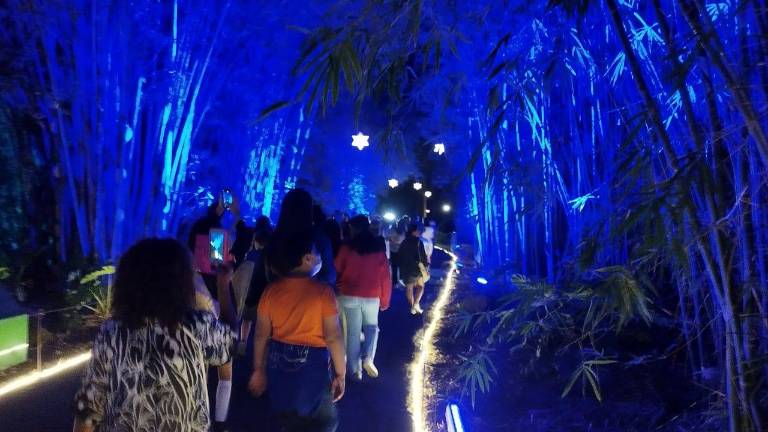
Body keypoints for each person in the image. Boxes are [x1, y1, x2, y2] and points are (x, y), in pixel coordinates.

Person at [73, 238, 234, 432]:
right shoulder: (197, 326)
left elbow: (88, 411)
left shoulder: (112, 333)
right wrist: (223, 286)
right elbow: (230, 339)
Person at [248, 231, 346, 431]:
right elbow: (333, 336)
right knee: (323, 421)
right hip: (313, 364)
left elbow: (260, 335)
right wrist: (340, 373)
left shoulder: (271, 291)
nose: (320, 257)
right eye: (317, 252)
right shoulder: (323, 293)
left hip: (277, 362)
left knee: (286, 419)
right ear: (307, 258)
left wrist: (258, 370)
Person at [335, 215, 392, 380]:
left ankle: (354, 371)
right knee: (372, 327)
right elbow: (385, 277)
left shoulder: (346, 247)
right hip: (372, 295)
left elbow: (337, 268)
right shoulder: (378, 248)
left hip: (348, 293)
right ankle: (368, 357)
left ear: (353, 228)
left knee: (352, 333)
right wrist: (385, 300)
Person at [398, 222, 429, 314]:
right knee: (420, 286)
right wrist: (425, 266)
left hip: (407, 268)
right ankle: (415, 304)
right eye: (418, 230)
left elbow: (401, 255)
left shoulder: (404, 242)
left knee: (410, 288)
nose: (419, 232)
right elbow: (423, 255)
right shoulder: (418, 241)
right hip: (417, 268)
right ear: (413, 231)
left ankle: (413, 306)